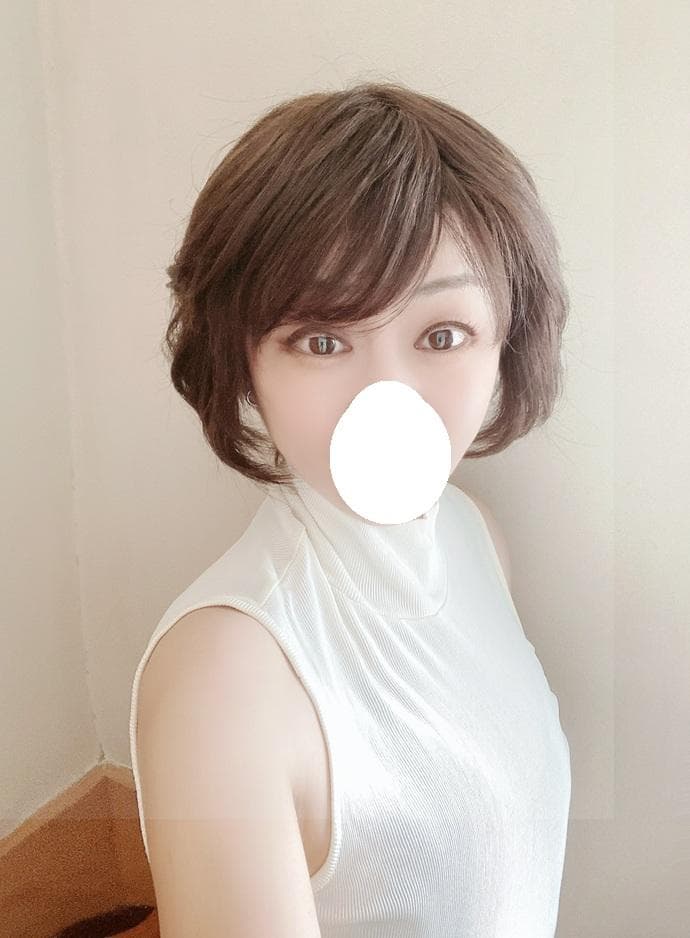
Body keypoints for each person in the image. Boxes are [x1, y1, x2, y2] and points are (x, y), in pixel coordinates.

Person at [129, 80, 572, 937]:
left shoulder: (472, 533)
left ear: (505, 343)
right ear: (243, 363)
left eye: (441, 335)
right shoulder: (220, 682)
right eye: (323, 339)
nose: (386, 397)